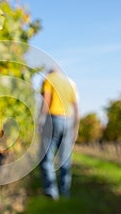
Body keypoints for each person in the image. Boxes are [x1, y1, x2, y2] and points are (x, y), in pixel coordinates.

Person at [38, 68, 79, 200]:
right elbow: (76, 107)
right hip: (69, 120)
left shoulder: (49, 79)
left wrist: (41, 119)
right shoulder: (69, 83)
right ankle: (65, 193)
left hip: (53, 119)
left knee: (46, 157)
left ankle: (52, 192)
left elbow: (46, 100)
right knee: (65, 158)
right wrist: (75, 128)